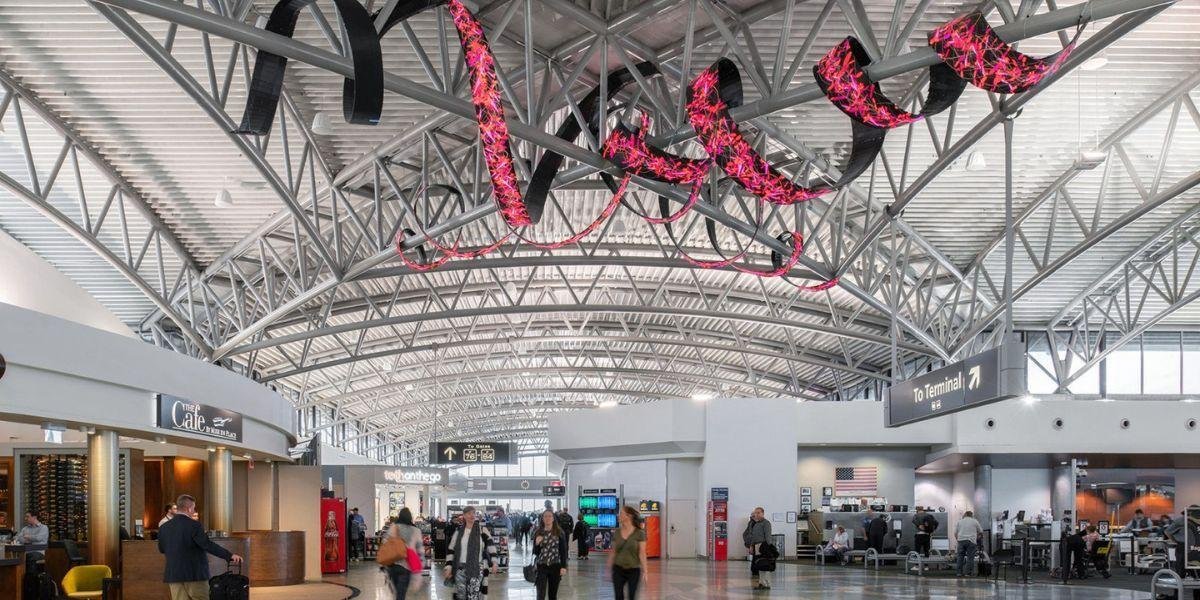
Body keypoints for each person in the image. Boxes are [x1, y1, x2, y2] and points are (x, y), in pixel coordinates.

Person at [158, 494, 243, 600]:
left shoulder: (164, 527)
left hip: (173, 574)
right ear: (189, 509)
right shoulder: (194, 525)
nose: (193, 511)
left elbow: (161, 548)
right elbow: (207, 545)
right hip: (195, 574)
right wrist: (229, 555)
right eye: (193, 508)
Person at [443, 506, 494, 600]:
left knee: (473, 596)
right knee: (461, 596)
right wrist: (448, 567)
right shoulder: (458, 531)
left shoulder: (482, 530)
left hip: (476, 568)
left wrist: (494, 562)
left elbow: (491, 545)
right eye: (469, 513)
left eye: (474, 513)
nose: (472, 515)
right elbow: (451, 549)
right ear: (464, 516)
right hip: (460, 569)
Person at [381, 508, 423, 600]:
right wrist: (420, 568)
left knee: (398, 592)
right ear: (410, 518)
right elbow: (420, 551)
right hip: (407, 566)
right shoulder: (416, 531)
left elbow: (384, 543)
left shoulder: (393, 528)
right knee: (401, 593)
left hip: (393, 565)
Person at [609, 506, 648, 600]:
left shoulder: (639, 533)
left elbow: (642, 553)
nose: (619, 515)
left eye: (621, 513)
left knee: (632, 596)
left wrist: (645, 570)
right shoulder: (617, 533)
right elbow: (613, 552)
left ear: (629, 516)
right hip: (618, 569)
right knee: (618, 596)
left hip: (633, 570)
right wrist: (609, 567)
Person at [532, 509, 568, 600]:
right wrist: (536, 543)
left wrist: (564, 566)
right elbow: (535, 552)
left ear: (553, 519)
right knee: (540, 594)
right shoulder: (538, 532)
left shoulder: (559, 532)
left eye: (550, 516)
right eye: (545, 516)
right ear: (542, 519)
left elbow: (563, 551)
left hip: (555, 566)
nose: (547, 518)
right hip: (541, 566)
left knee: (553, 595)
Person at [742, 507, 772, 590]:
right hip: (756, 546)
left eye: (758, 513)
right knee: (760, 565)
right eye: (755, 513)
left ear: (763, 513)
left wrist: (768, 548)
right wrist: (751, 546)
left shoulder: (766, 523)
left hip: (763, 546)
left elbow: (768, 536)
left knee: (765, 566)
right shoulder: (756, 524)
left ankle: (767, 584)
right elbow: (753, 537)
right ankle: (761, 583)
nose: (756, 514)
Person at [954, 510, 983, 577]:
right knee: (970, 557)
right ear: (971, 515)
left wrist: (958, 540)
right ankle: (967, 573)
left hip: (961, 540)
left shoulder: (960, 521)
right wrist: (977, 538)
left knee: (960, 557)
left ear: (965, 514)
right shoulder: (975, 521)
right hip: (971, 541)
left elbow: (955, 533)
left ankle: (959, 573)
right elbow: (981, 531)